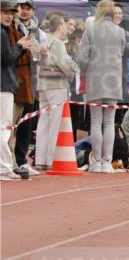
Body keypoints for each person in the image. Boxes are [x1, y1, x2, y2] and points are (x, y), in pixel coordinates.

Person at [77, 0, 126, 173]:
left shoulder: (90, 30)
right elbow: (121, 52)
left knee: (96, 122)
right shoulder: (120, 32)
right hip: (113, 80)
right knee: (109, 122)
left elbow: (82, 58)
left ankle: (96, 161)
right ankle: (107, 162)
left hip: (95, 79)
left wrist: (86, 71)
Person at [34, 15, 79, 170]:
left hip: (43, 84)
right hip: (57, 85)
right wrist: (74, 67)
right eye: (65, 25)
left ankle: (40, 159)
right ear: (60, 26)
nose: (67, 28)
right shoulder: (58, 44)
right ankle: (51, 159)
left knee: (43, 121)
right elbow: (66, 66)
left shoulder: (43, 41)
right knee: (55, 123)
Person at [1, 0, 34, 180]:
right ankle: (5, 167)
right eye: (6, 12)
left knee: (5, 128)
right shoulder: (2, 32)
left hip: (8, 84)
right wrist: (21, 46)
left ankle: (7, 166)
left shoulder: (5, 31)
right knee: (4, 128)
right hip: (4, 85)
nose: (10, 16)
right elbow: (6, 57)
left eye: (12, 13)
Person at [12, 0, 44, 174]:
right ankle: (10, 161)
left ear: (33, 11)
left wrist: (44, 54)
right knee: (11, 124)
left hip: (32, 83)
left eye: (28, 8)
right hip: (15, 82)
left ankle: (21, 160)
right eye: (22, 8)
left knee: (27, 125)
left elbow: (42, 57)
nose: (25, 11)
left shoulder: (38, 32)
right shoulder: (13, 28)